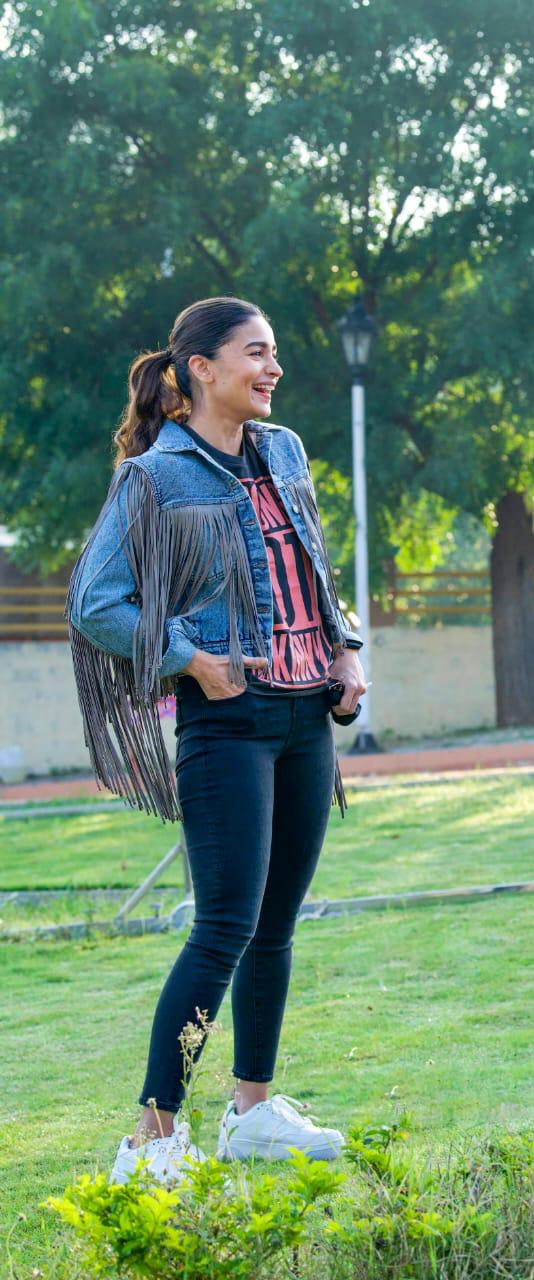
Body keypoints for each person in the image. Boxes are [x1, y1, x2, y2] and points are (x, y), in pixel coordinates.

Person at [67, 296, 367, 1184]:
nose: (274, 368)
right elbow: (95, 601)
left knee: (274, 926)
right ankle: (152, 1138)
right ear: (201, 367)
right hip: (228, 722)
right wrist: (190, 660)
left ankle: (253, 1113)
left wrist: (345, 647)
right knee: (224, 927)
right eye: (256, 353)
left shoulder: (285, 452)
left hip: (306, 714)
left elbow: (312, 565)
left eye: (274, 353)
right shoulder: (155, 477)